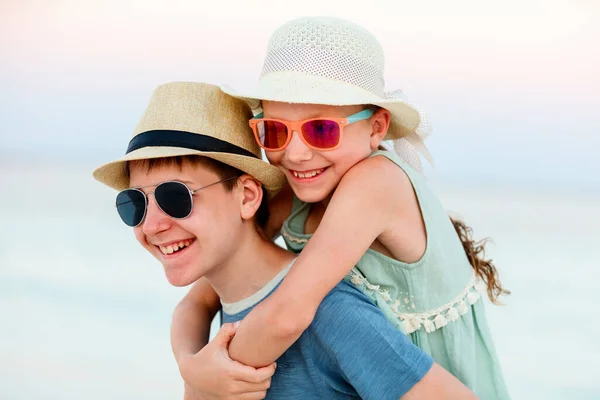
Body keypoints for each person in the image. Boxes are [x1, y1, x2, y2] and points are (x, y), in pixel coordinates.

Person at [173, 16, 511, 399]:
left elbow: (287, 314)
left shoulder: (375, 182)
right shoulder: (299, 188)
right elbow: (199, 299)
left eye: (321, 130)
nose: (296, 153)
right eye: (275, 131)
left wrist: (209, 387)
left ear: (377, 127)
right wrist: (191, 365)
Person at [93, 81, 477, 399]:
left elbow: (286, 317)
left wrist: (200, 386)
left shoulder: (329, 311)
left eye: (176, 198)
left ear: (247, 197)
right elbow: (192, 306)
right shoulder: (232, 298)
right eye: (135, 204)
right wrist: (192, 369)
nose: (153, 225)